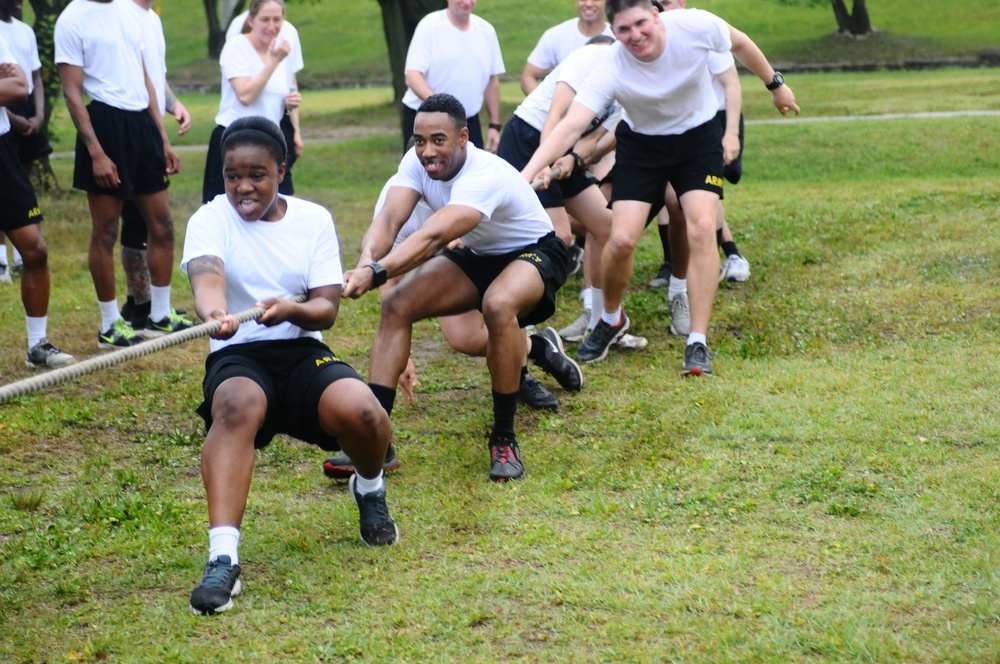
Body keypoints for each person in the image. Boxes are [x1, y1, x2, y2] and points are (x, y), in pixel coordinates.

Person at [181, 117, 398, 616]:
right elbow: (206, 278)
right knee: (236, 405)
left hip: (300, 346)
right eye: (233, 175)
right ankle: (223, 558)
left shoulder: (312, 219)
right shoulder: (209, 218)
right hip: (238, 354)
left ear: (282, 169)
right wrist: (214, 312)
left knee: (366, 416)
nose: (243, 187)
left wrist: (292, 310)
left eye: (257, 174)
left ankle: (368, 486)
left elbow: (326, 308)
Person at [522, 0, 799, 375]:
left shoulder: (695, 25)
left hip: (698, 141)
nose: (635, 35)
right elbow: (571, 126)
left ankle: (697, 342)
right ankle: (611, 318)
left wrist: (775, 85)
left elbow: (741, 43)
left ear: (656, 15)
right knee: (620, 241)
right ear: (613, 31)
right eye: (623, 30)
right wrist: (525, 176)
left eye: (640, 23)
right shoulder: (612, 64)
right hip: (643, 147)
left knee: (701, 225)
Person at [343, 94, 576, 483]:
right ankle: (376, 442)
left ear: (464, 137)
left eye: (438, 140)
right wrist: (368, 261)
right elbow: (389, 220)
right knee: (398, 303)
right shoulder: (415, 164)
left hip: (536, 252)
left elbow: (434, 237)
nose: (427, 151)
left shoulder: (482, 174)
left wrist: (378, 272)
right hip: (480, 253)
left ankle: (504, 439)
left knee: (498, 303)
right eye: (419, 141)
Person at [55, 0, 191, 349]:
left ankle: (160, 316)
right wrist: (96, 152)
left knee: (162, 225)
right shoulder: (72, 17)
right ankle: (109, 324)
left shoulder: (130, 13)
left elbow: (145, 77)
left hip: (141, 124)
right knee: (106, 230)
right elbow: (71, 91)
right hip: (105, 122)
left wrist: (161, 139)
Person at [498, 37, 626, 360]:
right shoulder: (591, 58)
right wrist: (540, 166)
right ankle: (520, 324)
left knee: (606, 226)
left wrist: (573, 160)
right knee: (558, 235)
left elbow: (596, 138)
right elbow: (555, 118)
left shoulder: (633, 81)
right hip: (529, 137)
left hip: (565, 149)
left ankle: (601, 320)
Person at [118, 0, 193, 333]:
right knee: (136, 220)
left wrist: (173, 103)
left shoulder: (152, 18)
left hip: (149, 127)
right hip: (125, 125)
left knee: (151, 222)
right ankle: (140, 305)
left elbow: (154, 75)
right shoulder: (119, 12)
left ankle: (148, 307)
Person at [0, 34, 75, 368]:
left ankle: (37, 346)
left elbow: (19, 88)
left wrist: (11, 83)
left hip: (3, 152)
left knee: (35, 250)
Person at [202, 0, 303, 203]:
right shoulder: (236, 48)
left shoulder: (281, 47)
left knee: (280, 205)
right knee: (227, 212)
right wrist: (273, 62)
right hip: (234, 139)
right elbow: (246, 95)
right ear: (251, 20)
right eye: (265, 19)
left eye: (277, 19)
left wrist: (293, 114)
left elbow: (290, 85)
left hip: (270, 138)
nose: (272, 26)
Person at [400, 0, 504, 152]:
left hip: (467, 121)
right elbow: (412, 76)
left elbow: (491, 80)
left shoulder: (486, 31)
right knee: (424, 172)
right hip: (425, 118)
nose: (467, 2)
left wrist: (494, 125)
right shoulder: (429, 26)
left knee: (470, 174)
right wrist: (442, 107)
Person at [0, 0, 49, 284]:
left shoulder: (23, 32)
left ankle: (17, 258)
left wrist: (39, 114)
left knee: (20, 185)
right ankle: (2, 259)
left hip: (19, 117)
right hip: (8, 114)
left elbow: (25, 83)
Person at [521, 0, 612, 95]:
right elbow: (528, 77)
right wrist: (548, 106)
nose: (588, 4)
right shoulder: (555, 35)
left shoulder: (619, 37)